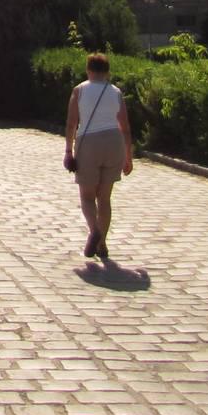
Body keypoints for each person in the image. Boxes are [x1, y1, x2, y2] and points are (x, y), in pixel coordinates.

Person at [64, 51, 133, 260]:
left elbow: (71, 123)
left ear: (88, 70)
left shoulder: (79, 90)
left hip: (89, 142)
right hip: (114, 142)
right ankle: (102, 242)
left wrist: (68, 150)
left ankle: (94, 230)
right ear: (108, 72)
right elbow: (125, 127)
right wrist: (128, 156)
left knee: (87, 196)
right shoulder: (116, 92)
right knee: (105, 197)